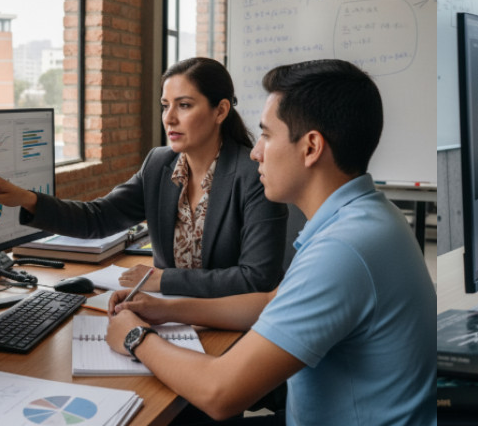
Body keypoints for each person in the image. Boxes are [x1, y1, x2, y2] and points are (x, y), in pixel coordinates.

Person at [103, 59, 435, 425]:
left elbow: (220, 393)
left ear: (310, 148)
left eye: (266, 135)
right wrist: (166, 309)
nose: (255, 151)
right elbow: (270, 303)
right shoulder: (366, 216)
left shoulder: (342, 250)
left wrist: (136, 336)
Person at [0, 57, 287, 297]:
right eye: (165, 106)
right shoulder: (159, 164)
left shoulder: (253, 176)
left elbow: (257, 278)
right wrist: (25, 199)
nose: (170, 118)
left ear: (220, 111)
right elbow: (98, 218)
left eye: (185, 105)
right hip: (167, 314)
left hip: (228, 325)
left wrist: (164, 280)